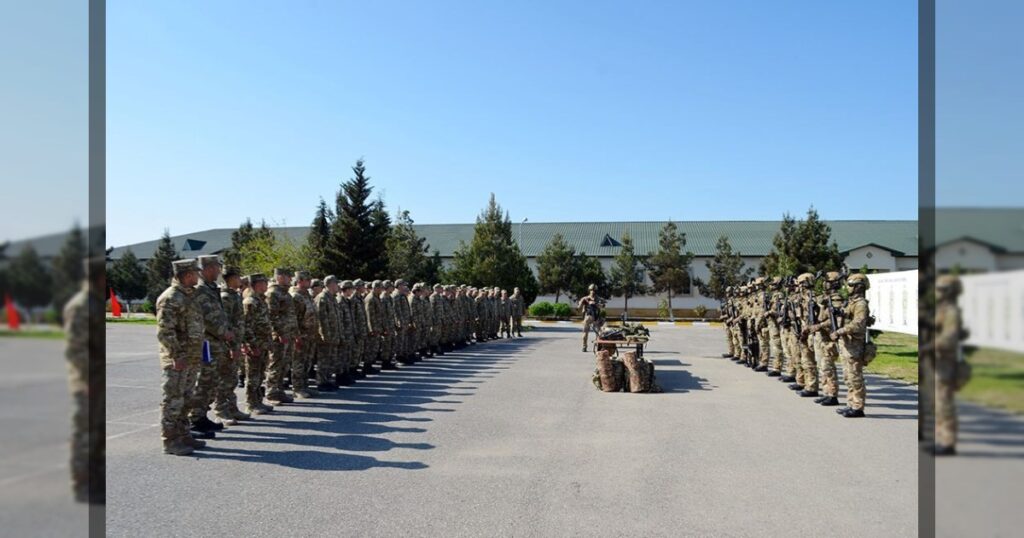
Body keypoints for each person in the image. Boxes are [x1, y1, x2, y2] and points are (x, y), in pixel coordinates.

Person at [64, 256, 105, 502]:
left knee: (96, 430)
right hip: (86, 379)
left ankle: (94, 477)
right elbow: (75, 348)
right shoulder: (81, 305)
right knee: (84, 431)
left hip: (97, 376)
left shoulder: (95, 302)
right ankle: (82, 483)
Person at [156, 259, 206, 456]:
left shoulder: (190, 296)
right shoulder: (170, 298)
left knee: (186, 399)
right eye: (195, 273)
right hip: (178, 359)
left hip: (192, 357)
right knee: (173, 400)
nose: (197, 276)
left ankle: (184, 435)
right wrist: (176, 355)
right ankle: (170, 440)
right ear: (186, 275)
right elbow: (165, 331)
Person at [189, 255, 233, 433]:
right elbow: (207, 317)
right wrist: (224, 332)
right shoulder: (200, 290)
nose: (219, 271)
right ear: (207, 269)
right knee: (205, 381)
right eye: (216, 267)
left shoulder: (212, 288)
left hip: (217, 343)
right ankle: (195, 418)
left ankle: (201, 416)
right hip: (206, 343)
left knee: (212, 381)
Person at [927, 275, 970, 454]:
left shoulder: (951, 311)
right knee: (938, 401)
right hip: (938, 360)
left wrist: (928, 346)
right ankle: (942, 439)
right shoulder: (942, 309)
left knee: (945, 401)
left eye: (943, 290)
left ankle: (948, 442)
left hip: (946, 361)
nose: (939, 293)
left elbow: (949, 337)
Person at [831, 273, 873, 418]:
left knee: (855, 377)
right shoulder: (852, 302)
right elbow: (848, 316)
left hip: (855, 344)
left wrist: (840, 331)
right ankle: (850, 403)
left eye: (850, 285)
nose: (847, 288)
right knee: (848, 376)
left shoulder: (860, 304)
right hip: (847, 344)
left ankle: (858, 407)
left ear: (858, 287)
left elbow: (859, 324)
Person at [215, 266, 249, 425]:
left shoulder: (234, 295)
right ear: (229, 279)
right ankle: (222, 410)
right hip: (228, 344)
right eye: (237, 277)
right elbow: (226, 324)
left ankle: (232, 407)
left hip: (236, 342)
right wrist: (231, 346)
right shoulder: (225, 297)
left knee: (232, 378)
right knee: (225, 379)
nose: (240, 280)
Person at [242, 273, 274, 415]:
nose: (266, 285)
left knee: (260, 374)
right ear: (256, 284)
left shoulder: (261, 300)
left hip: (264, 343)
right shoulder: (250, 302)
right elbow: (247, 326)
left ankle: (258, 401)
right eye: (263, 283)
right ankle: (251, 403)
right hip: (255, 344)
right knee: (253, 375)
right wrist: (252, 345)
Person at [265, 268, 297, 404]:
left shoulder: (285, 293)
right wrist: (278, 333)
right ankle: (271, 392)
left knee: (284, 364)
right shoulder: (273, 293)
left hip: (288, 333)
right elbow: (271, 316)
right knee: (276, 363)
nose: (290, 279)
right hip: (279, 336)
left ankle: (279, 390)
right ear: (279, 277)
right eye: (287, 276)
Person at [289, 270, 318, 398]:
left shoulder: (307, 295)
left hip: (310, 334)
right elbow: (293, 318)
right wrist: (296, 336)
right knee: (298, 362)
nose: (309, 282)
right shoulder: (295, 296)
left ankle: (305, 385)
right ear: (300, 281)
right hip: (301, 334)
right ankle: (297, 388)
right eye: (307, 280)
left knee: (307, 361)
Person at [577, 284, 603, 352]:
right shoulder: (599, 299)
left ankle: (584, 347)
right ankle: (598, 346)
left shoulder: (585, 298)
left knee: (585, 332)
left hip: (588, 317)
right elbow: (602, 307)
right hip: (596, 317)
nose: (592, 291)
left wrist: (581, 304)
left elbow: (578, 308)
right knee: (599, 332)